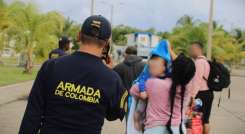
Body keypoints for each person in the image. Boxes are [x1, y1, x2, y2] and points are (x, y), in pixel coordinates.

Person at [19, 15, 128, 134]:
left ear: (79, 35)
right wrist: (108, 73)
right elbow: (114, 113)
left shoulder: (50, 67)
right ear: (107, 43)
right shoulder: (112, 78)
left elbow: (32, 114)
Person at [130, 54, 195, 134]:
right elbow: (184, 71)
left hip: (154, 129)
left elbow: (133, 90)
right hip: (178, 129)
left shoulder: (153, 83)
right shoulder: (187, 89)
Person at [189, 41, 213, 134]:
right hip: (208, 93)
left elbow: (197, 81)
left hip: (200, 95)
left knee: (196, 120)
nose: (190, 51)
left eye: (192, 49)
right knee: (205, 120)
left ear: (198, 49)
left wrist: (192, 97)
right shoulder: (206, 61)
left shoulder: (198, 62)